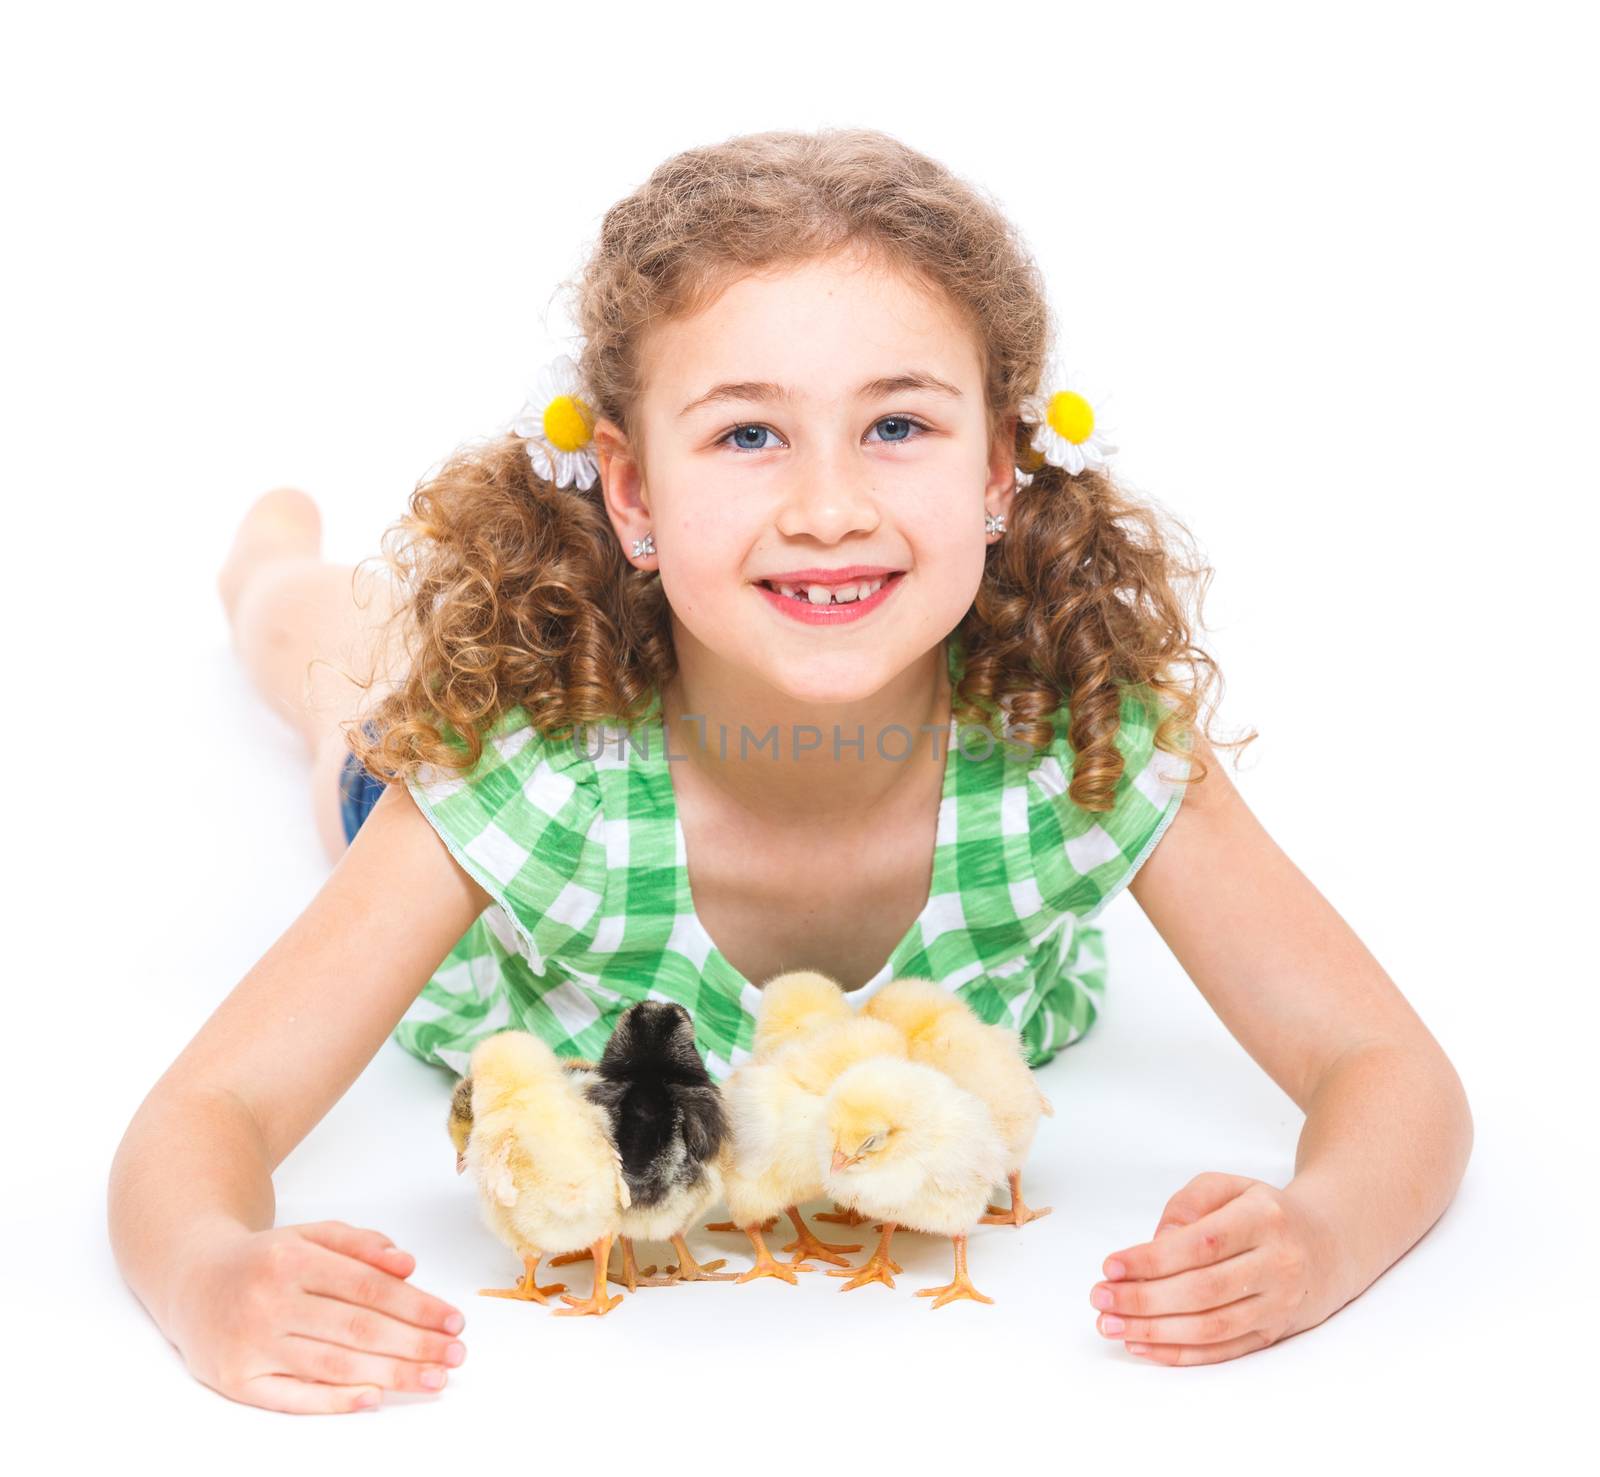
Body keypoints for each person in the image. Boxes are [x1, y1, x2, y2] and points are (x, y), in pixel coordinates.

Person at [108, 127, 1472, 1412]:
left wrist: (1323, 1229)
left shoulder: (1083, 747)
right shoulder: (522, 780)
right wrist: (208, 1272)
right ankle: (273, 573)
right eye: (748, 434)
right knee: (344, 678)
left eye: (898, 426)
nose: (829, 509)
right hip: (458, 825)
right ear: (632, 495)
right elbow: (203, 1113)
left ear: (999, 465)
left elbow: (1389, 1067)